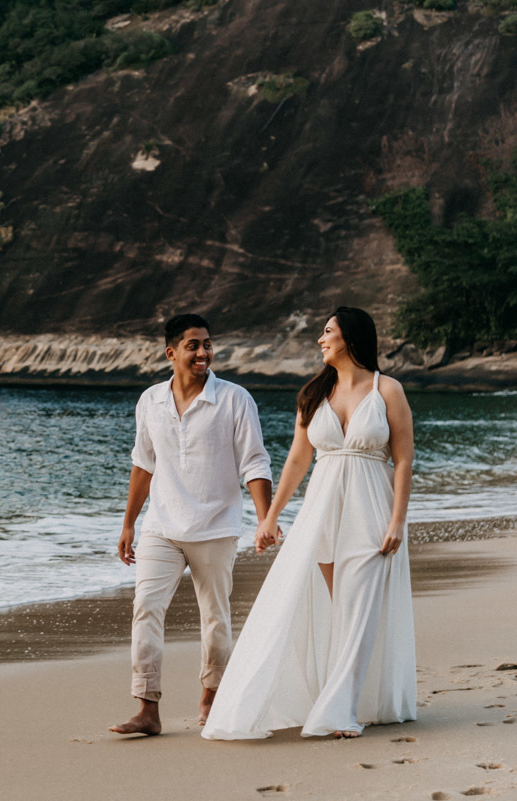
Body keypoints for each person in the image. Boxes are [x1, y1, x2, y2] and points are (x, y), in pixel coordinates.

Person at [202, 307, 417, 740]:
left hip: (371, 510)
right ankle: (335, 699)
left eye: (327, 332)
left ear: (351, 338)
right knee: (339, 612)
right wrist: (272, 516)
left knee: (358, 613)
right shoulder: (313, 394)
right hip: (322, 512)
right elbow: (298, 460)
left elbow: (404, 459)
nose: (320, 340)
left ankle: (339, 712)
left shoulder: (387, 389)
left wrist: (397, 519)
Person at [109, 314, 274, 736]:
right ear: (171, 353)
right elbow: (143, 464)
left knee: (215, 618)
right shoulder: (150, 401)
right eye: (193, 345)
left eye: (207, 345)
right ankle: (147, 708)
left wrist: (265, 519)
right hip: (161, 527)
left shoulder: (235, 399)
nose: (203, 353)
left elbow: (254, 461)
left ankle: (211, 696)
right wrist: (128, 523)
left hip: (216, 527)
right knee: (145, 609)